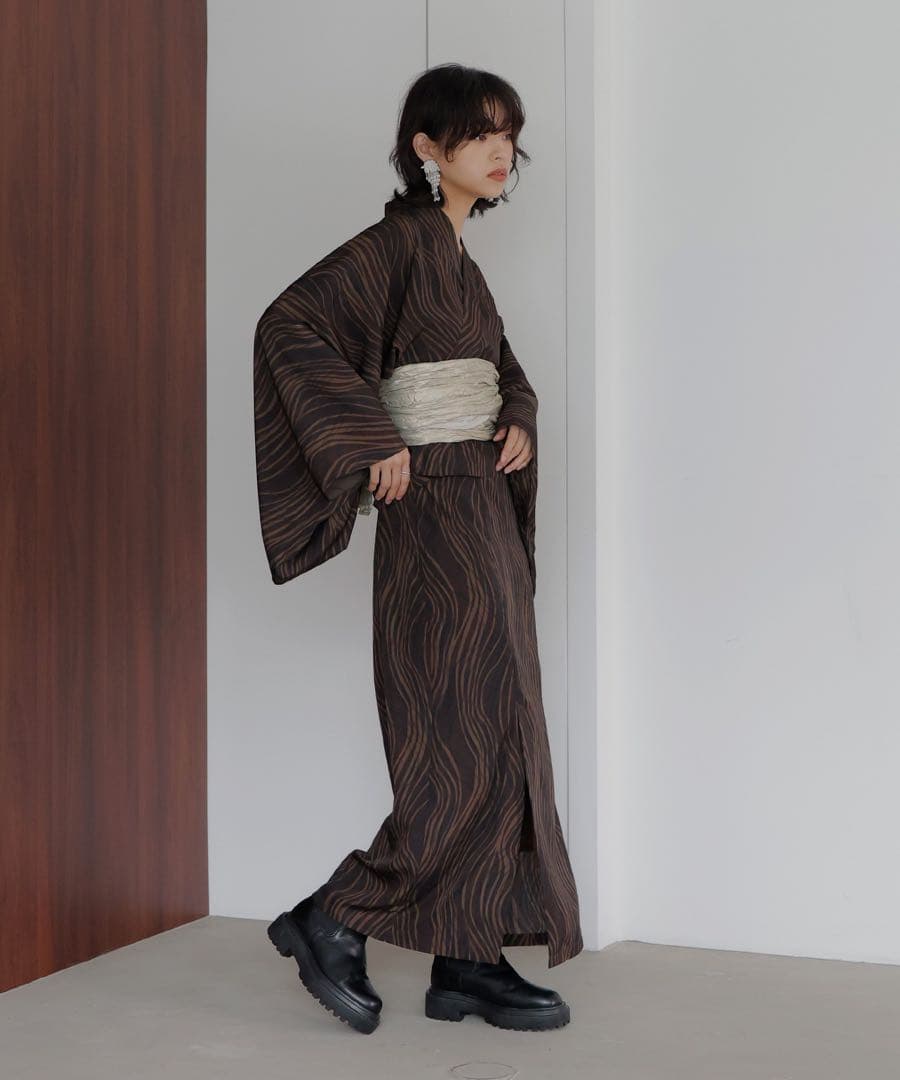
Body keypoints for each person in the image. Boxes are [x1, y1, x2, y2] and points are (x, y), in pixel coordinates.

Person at [255, 63, 583, 1034]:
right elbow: (291, 324)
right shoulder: (398, 243)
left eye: (508, 133)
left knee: (501, 723)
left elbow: (499, 369)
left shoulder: (459, 260)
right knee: (458, 734)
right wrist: (370, 440)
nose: (499, 149)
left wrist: (517, 414)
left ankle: (467, 960)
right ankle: (331, 915)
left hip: (478, 501)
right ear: (426, 148)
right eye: (478, 132)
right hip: (435, 513)